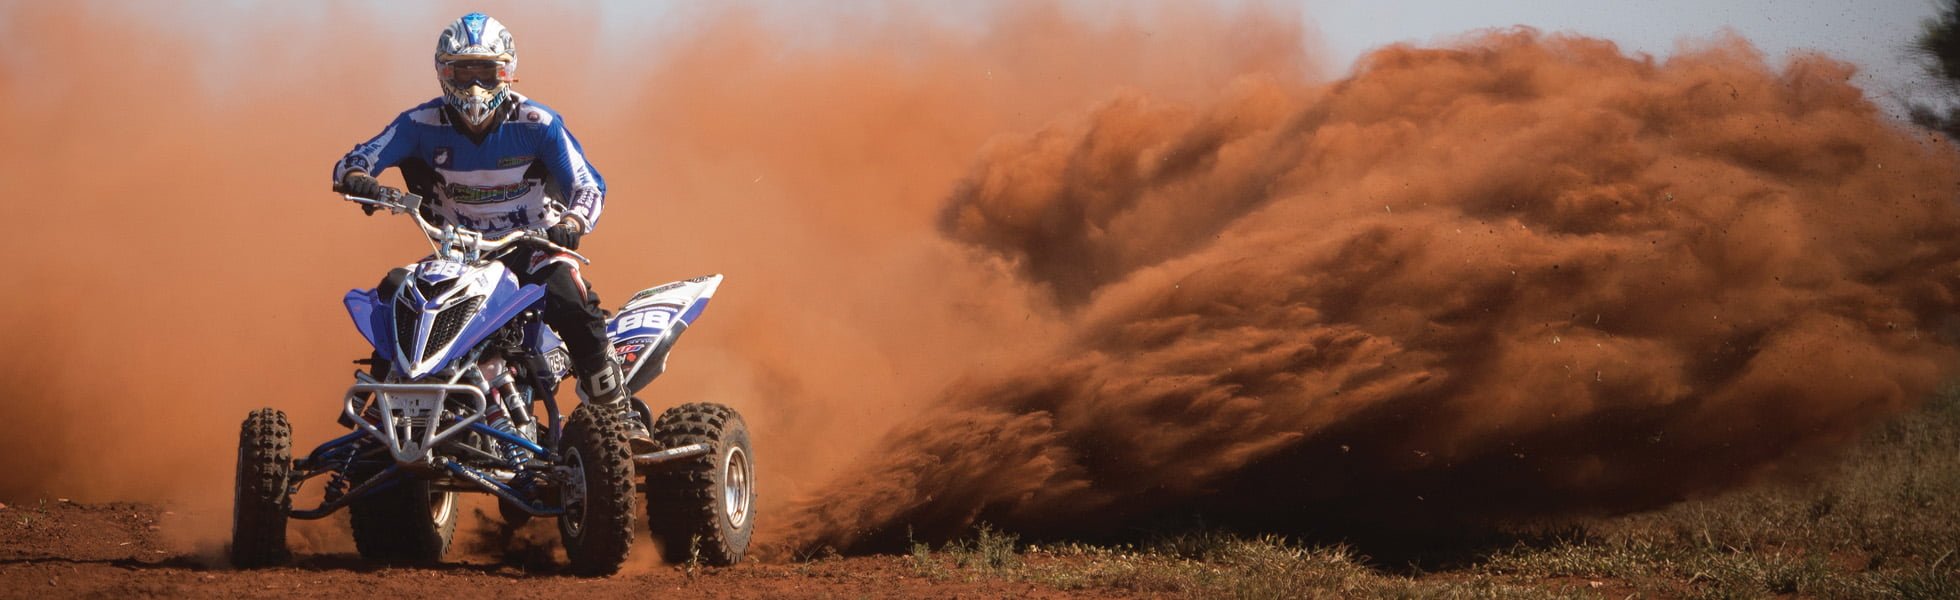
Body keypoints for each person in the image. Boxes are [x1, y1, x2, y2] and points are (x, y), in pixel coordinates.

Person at [333, 12, 625, 410]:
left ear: (507, 73)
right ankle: (382, 412)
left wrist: (573, 222)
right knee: (394, 295)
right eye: (462, 71)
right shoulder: (419, 123)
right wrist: (357, 177)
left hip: (531, 246)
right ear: (443, 72)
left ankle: (611, 410)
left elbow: (589, 185)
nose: (473, 85)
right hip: (458, 253)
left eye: (485, 72)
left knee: (571, 298)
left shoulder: (538, 123)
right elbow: (355, 159)